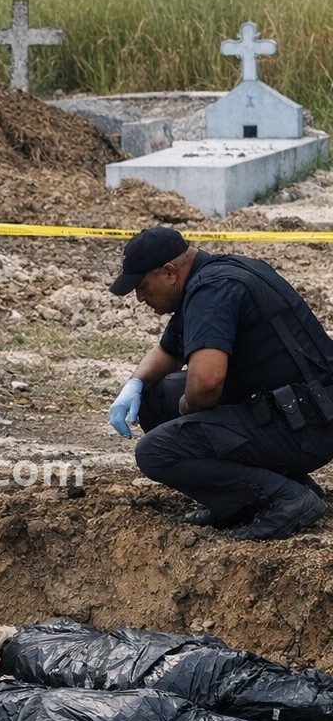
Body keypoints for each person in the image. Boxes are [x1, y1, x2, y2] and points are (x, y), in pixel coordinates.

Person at [107, 226, 333, 541]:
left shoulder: (212, 291)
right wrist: (133, 386)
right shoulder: (220, 274)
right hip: (303, 414)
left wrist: (189, 410)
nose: (140, 298)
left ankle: (287, 499)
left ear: (170, 273)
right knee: (153, 395)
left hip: (306, 427)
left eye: (143, 286)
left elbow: (205, 386)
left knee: (155, 452)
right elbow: (167, 352)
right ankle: (255, 497)